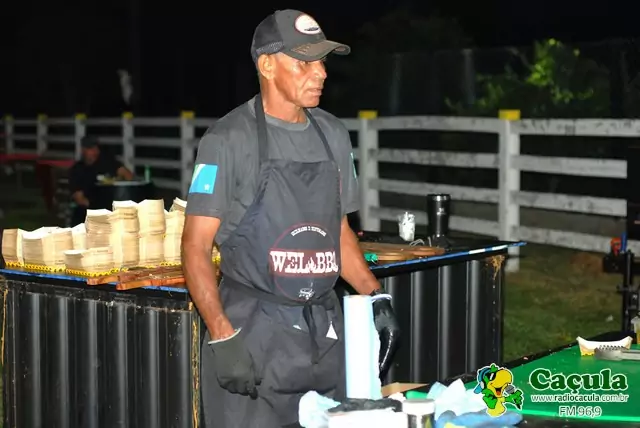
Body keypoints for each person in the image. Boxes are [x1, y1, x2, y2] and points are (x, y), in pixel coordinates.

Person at [181, 10, 400, 428]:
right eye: (305, 62)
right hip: (254, 338)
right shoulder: (228, 140)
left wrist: (376, 296)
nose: (321, 73)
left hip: (324, 336)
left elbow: (338, 233)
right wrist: (222, 335)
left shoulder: (332, 134)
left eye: (322, 61)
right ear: (267, 65)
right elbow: (195, 246)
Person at [68, 136, 133, 225]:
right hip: (90, 211)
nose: (95, 151)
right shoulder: (77, 170)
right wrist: (97, 211)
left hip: (112, 209)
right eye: (91, 149)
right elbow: (80, 199)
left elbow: (128, 175)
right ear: (83, 150)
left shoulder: (107, 162)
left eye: (96, 148)